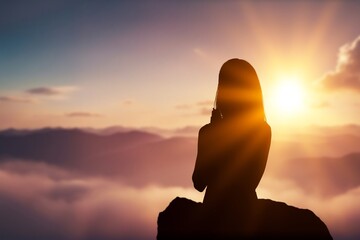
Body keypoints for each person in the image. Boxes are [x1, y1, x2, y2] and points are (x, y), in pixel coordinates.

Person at [192, 58, 271, 213]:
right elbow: (250, 184)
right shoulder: (264, 131)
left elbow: (199, 183)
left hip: (213, 217)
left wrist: (216, 136)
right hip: (246, 216)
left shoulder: (208, 132)